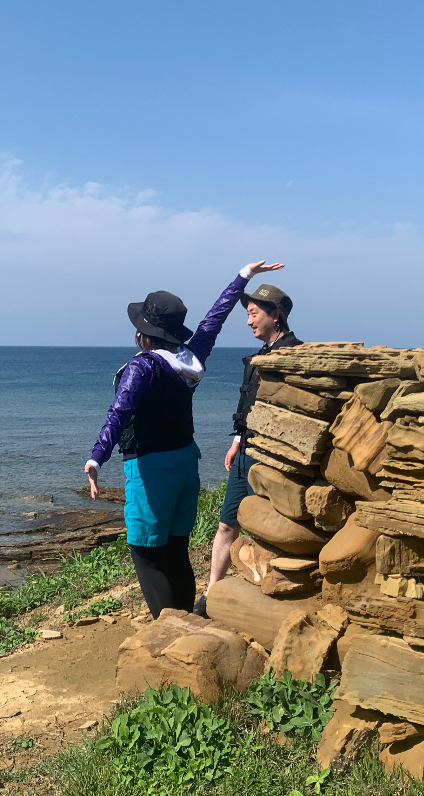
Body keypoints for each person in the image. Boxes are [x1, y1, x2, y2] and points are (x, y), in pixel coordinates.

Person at [85, 260, 284, 619]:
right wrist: (243, 276)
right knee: (176, 550)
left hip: (151, 469)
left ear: (144, 332)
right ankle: (187, 621)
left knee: (147, 553)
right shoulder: (190, 358)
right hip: (186, 464)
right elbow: (214, 319)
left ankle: (171, 628)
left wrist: (97, 457)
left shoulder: (143, 366)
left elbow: (120, 412)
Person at [194, 279, 300, 615]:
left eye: (254, 313)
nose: (249, 320)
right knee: (227, 524)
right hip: (244, 452)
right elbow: (251, 406)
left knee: (266, 528)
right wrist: (236, 442)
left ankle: (267, 593)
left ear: (275, 315)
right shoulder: (261, 355)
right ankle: (212, 594)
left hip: (268, 457)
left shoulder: (295, 355)